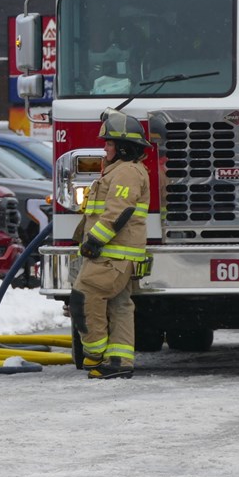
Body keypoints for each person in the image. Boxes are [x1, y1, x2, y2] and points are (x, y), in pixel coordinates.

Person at [71, 108, 152, 379]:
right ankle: (119, 361)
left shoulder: (126, 172)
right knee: (119, 305)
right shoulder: (122, 171)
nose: (105, 148)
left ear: (124, 148)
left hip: (110, 255)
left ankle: (95, 354)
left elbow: (119, 211)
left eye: (109, 143)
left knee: (85, 296)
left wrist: (94, 241)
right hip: (117, 257)